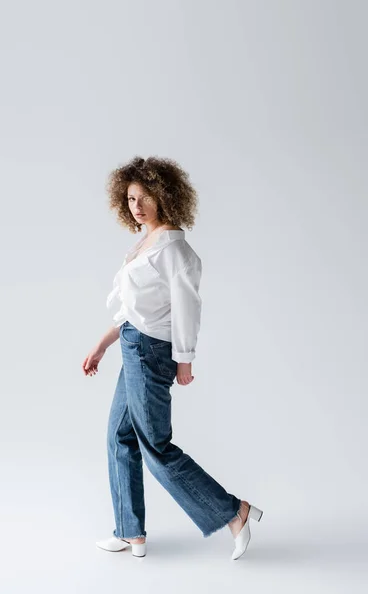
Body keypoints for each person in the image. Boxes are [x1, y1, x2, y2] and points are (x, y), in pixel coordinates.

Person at [82, 156, 263, 560]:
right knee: (119, 437)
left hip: (151, 353)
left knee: (156, 447)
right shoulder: (144, 242)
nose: (137, 206)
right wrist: (103, 343)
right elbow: (134, 311)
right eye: (130, 198)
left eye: (145, 197)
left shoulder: (174, 249)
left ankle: (235, 511)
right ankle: (131, 532)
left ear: (165, 196)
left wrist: (184, 360)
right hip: (132, 345)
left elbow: (187, 309)